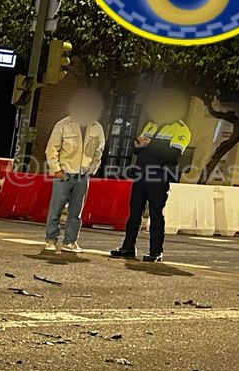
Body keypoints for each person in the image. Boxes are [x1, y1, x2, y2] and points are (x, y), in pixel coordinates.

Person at [111, 89, 192, 263]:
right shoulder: (150, 125)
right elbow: (137, 149)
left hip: (159, 176)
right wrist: (138, 144)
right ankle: (128, 247)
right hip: (141, 174)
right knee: (134, 213)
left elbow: (173, 155)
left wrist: (150, 144)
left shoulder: (181, 129)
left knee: (156, 214)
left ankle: (156, 251)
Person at [42, 87, 106, 252]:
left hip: (83, 175)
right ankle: (50, 239)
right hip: (63, 173)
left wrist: (91, 170)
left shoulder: (96, 127)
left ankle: (70, 242)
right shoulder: (63, 124)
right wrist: (56, 169)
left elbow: (99, 151)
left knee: (76, 212)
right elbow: (51, 149)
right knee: (55, 209)